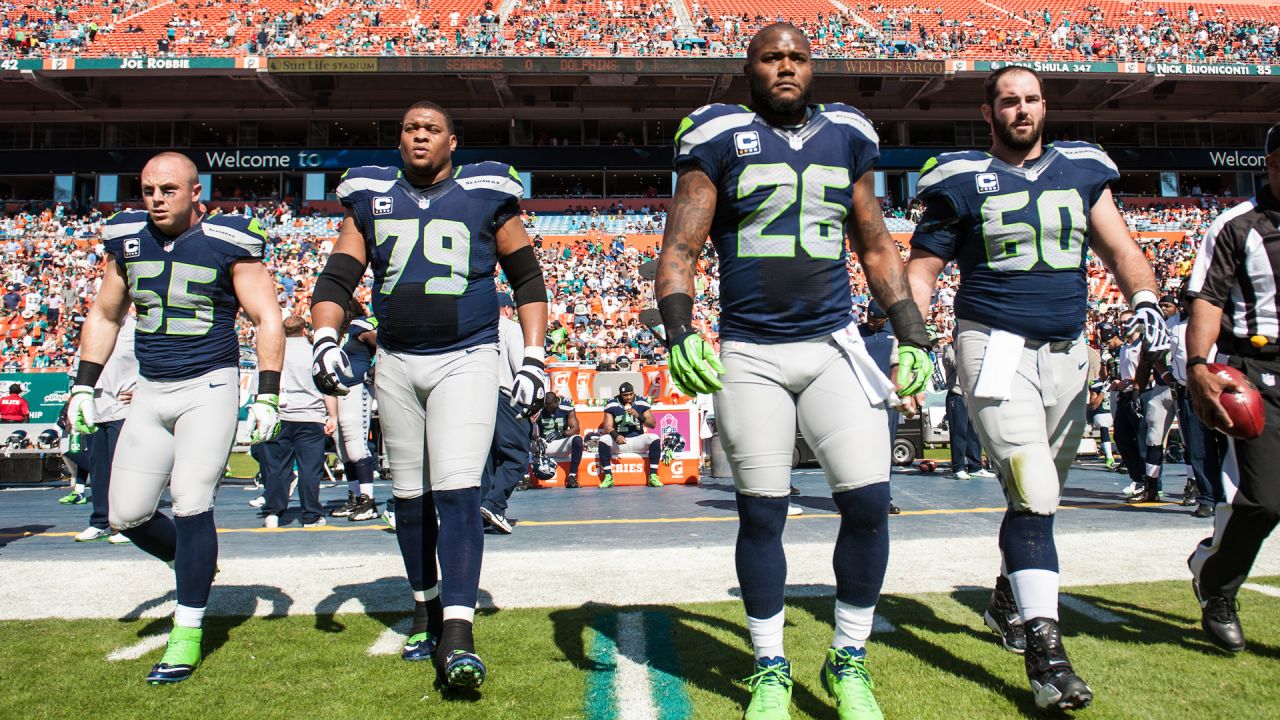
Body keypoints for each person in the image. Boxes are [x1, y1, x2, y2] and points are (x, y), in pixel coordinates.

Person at [655, 24, 933, 719]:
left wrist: (913, 333)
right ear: (747, 68)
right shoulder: (717, 134)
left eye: (797, 57)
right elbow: (680, 245)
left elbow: (874, 245)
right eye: (771, 57)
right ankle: (771, 667)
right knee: (762, 514)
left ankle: (849, 659)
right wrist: (680, 328)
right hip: (750, 350)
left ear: (813, 67)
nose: (785, 67)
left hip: (833, 344)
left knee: (868, 505)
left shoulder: (847, 133)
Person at [906, 66, 1168, 711]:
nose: (1021, 110)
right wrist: (913, 336)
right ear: (988, 112)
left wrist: (1145, 298)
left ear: (1044, 106)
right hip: (994, 344)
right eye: (1008, 102)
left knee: (1038, 497)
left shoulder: (1081, 167)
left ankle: (1005, 598)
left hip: (1068, 350)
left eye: (1030, 99)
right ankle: (1047, 655)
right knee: (1034, 485)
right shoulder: (961, 177)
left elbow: (1121, 246)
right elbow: (923, 268)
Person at [309, 101, 548, 691]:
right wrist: (323, 336)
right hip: (394, 358)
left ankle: (459, 636)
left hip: (467, 354)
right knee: (410, 497)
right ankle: (425, 610)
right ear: (399, 140)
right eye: (411, 128)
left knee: (459, 487)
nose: (420, 136)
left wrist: (537, 355)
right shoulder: (369, 196)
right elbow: (338, 277)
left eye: (431, 129)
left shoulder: (488, 193)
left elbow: (527, 278)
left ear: (452, 141)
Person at [67, 151, 284, 685]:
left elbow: (266, 315)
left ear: (195, 195)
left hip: (208, 385)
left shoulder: (228, 241)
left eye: (168, 189)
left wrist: (267, 394)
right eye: (147, 190)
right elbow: (106, 312)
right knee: (127, 515)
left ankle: (187, 630)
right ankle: (195, 566)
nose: (157, 199)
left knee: (191, 501)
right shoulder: (126, 239)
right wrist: (81, 384)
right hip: (150, 389)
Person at [1185, 123, 1280, 655]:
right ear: (1270, 165)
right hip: (1258, 368)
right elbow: (1208, 300)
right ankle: (1217, 586)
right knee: (1265, 501)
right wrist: (1200, 365)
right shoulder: (1235, 225)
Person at [260, 315, 337, 529]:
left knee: (277, 468)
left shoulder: (275, 352)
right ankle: (310, 515)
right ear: (304, 330)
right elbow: (327, 386)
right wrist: (333, 416)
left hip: (281, 415)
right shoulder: (314, 353)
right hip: (310, 415)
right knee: (309, 469)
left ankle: (273, 512)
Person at [73, 314, 138, 544]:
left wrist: (142, 388)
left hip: (123, 408)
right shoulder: (93, 328)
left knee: (122, 468)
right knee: (98, 467)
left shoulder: (136, 329)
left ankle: (125, 525)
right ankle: (100, 521)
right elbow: (79, 366)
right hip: (97, 408)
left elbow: (153, 362)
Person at [479, 294, 534, 534]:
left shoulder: (478, 326)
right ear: (507, 310)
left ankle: (480, 511)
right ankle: (494, 505)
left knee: (487, 460)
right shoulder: (510, 328)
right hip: (505, 396)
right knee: (516, 455)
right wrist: (530, 404)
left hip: (478, 397)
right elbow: (520, 367)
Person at [330, 300, 380, 522]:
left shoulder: (359, 324)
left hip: (357, 386)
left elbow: (384, 344)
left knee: (356, 442)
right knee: (343, 446)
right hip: (340, 389)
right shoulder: (339, 334)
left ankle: (368, 500)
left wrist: (373, 370)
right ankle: (355, 496)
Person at [939, 338, 993, 480]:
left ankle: (976, 466)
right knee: (959, 432)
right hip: (956, 395)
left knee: (974, 433)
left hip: (971, 396)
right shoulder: (949, 350)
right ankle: (958, 467)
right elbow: (957, 363)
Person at [596, 381, 662, 488]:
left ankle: (653, 475)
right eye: (625, 395)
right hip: (620, 442)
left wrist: (638, 415)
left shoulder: (641, 401)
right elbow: (607, 426)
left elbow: (652, 424)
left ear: (634, 393)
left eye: (631, 394)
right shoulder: (612, 403)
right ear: (620, 395)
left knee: (654, 438)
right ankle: (608, 477)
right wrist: (615, 435)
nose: (628, 397)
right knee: (603, 439)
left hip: (637, 439)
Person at [532, 391, 583, 487]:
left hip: (561, 444)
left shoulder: (566, 406)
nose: (547, 408)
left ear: (556, 402)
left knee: (577, 440)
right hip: (543, 444)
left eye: (550, 406)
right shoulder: (538, 407)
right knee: (523, 441)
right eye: (545, 406)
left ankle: (572, 476)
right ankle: (525, 478)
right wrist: (536, 438)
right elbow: (526, 429)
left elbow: (576, 429)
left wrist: (561, 433)